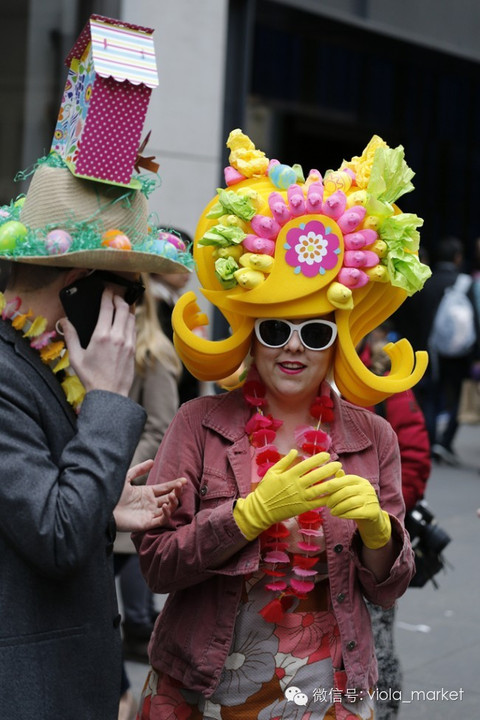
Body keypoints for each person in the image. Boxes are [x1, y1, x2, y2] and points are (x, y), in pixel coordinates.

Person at [133, 132, 431, 718]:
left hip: (327, 689)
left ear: (337, 342)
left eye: (315, 331)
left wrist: (377, 533)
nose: (293, 346)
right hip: (204, 684)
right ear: (251, 334)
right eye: (275, 329)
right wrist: (249, 515)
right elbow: (156, 564)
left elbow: (389, 588)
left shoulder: (374, 438)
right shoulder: (198, 424)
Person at [0, 145, 192, 718]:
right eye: (128, 293)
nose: (134, 311)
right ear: (81, 285)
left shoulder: (38, 357)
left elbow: (32, 514)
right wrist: (108, 399)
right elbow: (55, 536)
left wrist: (102, 507)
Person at [115, 274, 182, 717]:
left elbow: (162, 425)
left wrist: (110, 470)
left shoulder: (154, 355)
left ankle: (120, 694)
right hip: (100, 495)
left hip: (125, 492)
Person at [359, 330, 431, 720]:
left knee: (377, 643)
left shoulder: (385, 379)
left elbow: (416, 457)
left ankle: (381, 712)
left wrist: (385, 514)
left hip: (373, 541)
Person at [149, 232, 201, 404]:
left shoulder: (174, 301)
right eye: (179, 257)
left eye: (190, 258)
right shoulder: (152, 304)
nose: (188, 268)